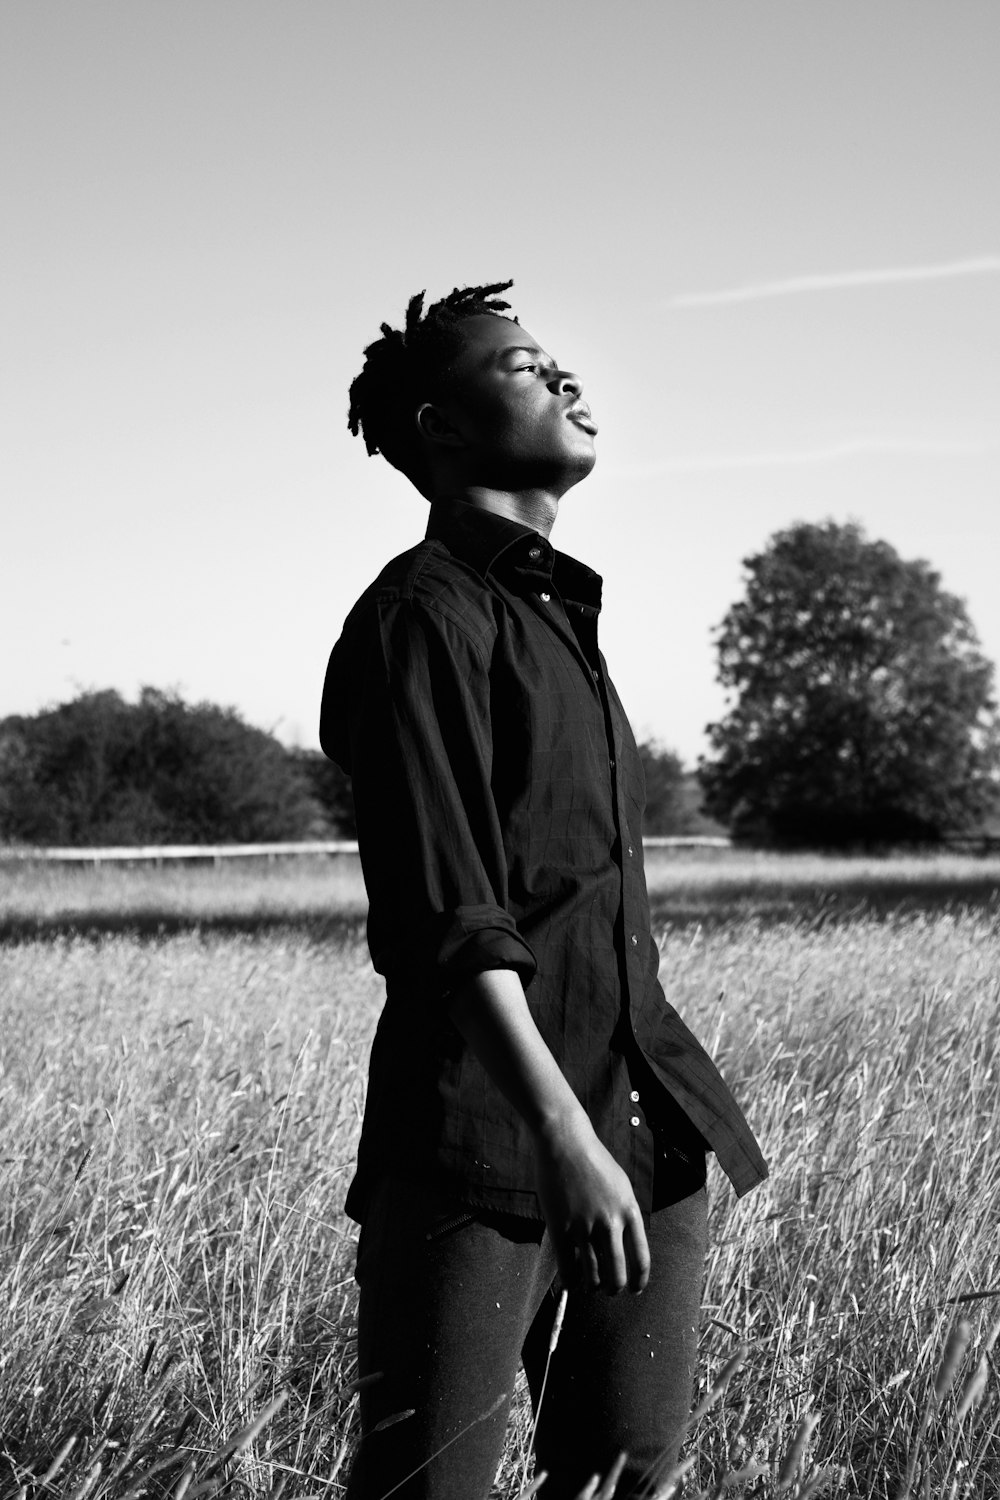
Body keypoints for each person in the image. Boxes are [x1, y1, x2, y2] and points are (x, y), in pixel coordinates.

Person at [320, 281, 767, 1500]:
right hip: (485, 1139)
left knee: (629, 1473)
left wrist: (613, 1132)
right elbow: (448, 919)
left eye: (559, 363)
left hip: (645, 1122)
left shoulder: (557, 616)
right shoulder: (422, 620)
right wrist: (559, 1136)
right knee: (431, 1483)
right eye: (524, 367)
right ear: (442, 426)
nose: (567, 381)